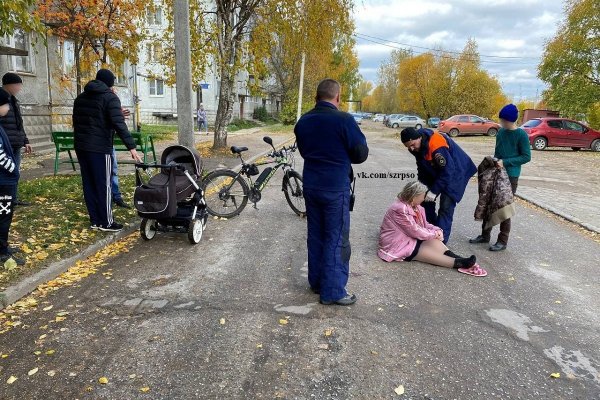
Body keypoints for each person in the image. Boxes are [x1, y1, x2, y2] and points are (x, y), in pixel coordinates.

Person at [295, 78, 369, 306]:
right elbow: (360, 154)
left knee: (316, 234)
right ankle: (334, 290)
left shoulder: (303, 121)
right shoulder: (344, 120)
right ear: (337, 98)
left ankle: (317, 282)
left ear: (316, 97)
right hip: (335, 187)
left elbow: (305, 151)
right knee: (336, 238)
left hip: (311, 185)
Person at [72, 69, 141, 232]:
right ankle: (106, 222)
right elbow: (119, 124)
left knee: (89, 184)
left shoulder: (80, 98)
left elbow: (80, 121)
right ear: (110, 83)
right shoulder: (110, 98)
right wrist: (131, 146)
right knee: (104, 185)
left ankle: (95, 220)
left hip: (82, 146)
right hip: (100, 148)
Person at [378, 181, 487, 277]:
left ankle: (459, 259)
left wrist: (438, 230)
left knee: (434, 240)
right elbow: (415, 230)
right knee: (424, 250)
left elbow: (425, 225)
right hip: (397, 244)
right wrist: (434, 234)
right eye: (422, 196)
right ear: (413, 197)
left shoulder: (417, 207)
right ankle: (460, 263)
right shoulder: (400, 210)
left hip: (409, 238)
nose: (423, 198)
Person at [470, 104, 531, 251]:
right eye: (501, 120)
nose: (502, 123)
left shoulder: (521, 135)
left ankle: (502, 241)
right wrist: (494, 160)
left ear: (512, 120)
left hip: (511, 176)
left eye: (504, 120)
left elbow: (526, 157)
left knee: (504, 207)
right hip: (496, 173)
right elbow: (498, 152)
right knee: (488, 201)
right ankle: (485, 235)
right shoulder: (501, 132)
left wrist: (506, 162)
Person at [401, 127, 477, 244]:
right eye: (408, 147)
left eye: (413, 144)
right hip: (438, 170)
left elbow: (448, 171)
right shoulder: (415, 147)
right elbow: (422, 167)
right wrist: (422, 188)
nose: (411, 148)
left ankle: (440, 242)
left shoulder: (436, 144)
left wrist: (434, 191)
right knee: (425, 200)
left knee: (446, 206)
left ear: (419, 138)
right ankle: (431, 232)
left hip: (456, 171)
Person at [0, 73, 32, 206]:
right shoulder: (1, 100)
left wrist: (25, 140)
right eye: (18, 85)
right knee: (5, 173)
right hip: (4, 145)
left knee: (15, 171)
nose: (20, 88)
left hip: (16, 143)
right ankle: (5, 200)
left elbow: (19, 123)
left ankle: (13, 199)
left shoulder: (14, 100)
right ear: (9, 85)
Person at [0, 90, 23, 265]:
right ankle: (2, 251)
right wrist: (13, 168)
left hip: (5, 179)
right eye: (5, 104)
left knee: (5, 215)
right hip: (3, 180)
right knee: (3, 215)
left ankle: (4, 246)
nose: (8, 107)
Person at [109, 87, 131, 209]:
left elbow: (115, 123)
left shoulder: (112, 101)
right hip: (99, 145)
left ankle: (116, 196)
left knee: (113, 170)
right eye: (112, 90)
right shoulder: (102, 99)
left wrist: (118, 115)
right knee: (105, 172)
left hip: (108, 143)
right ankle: (108, 197)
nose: (114, 92)